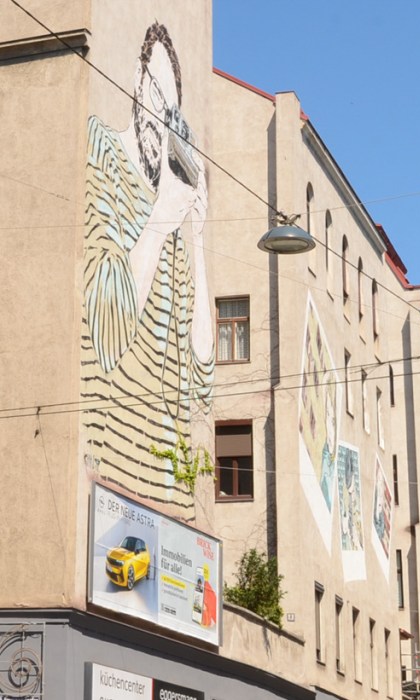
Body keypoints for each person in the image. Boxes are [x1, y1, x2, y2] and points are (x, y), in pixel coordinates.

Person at [82, 22, 213, 517]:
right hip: (103, 488)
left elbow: (200, 375)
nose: (163, 120)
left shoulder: (174, 211)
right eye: (157, 97)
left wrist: (195, 235)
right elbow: (106, 330)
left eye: (173, 111)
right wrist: (160, 220)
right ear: (137, 83)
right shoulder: (101, 150)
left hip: (168, 504)